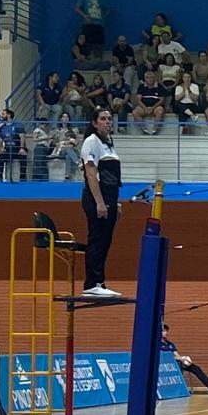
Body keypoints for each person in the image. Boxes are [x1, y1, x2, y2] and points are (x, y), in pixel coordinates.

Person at [79, 109, 122, 297]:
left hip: (109, 198)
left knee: (105, 241)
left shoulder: (109, 144)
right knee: (96, 239)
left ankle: (99, 281)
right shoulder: (91, 142)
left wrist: (115, 202)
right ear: (95, 123)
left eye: (109, 119)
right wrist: (100, 203)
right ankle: (91, 283)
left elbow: (111, 177)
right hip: (97, 197)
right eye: (103, 119)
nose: (107, 122)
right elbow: (91, 174)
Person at [161, 324, 208, 394]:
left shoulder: (170, 344)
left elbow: (177, 355)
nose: (166, 333)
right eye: (163, 331)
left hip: (176, 362)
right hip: (166, 365)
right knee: (179, 364)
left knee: (195, 368)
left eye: (166, 331)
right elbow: (162, 357)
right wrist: (178, 359)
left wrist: (184, 359)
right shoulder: (158, 344)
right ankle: (178, 389)